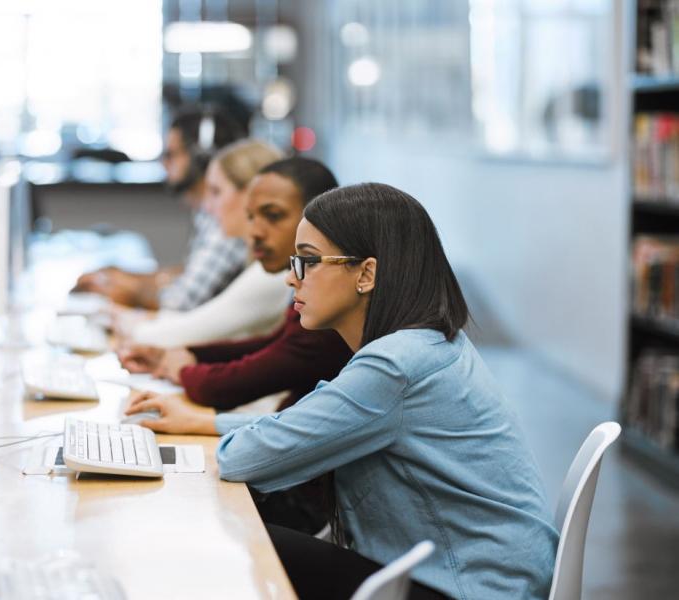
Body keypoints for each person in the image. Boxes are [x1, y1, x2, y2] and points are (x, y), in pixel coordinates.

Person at [125, 183, 559, 600]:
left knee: (230, 532)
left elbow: (244, 459)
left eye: (309, 262)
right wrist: (204, 422)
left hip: (464, 588)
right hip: (488, 578)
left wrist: (214, 433)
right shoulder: (426, 342)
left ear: (366, 273)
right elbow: (310, 425)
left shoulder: (393, 366)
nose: (292, 280)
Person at [119, 158, 351, 414]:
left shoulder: (327, 296)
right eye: (250, 217)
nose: (255, 232)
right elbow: (276, 345)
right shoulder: (297, 280)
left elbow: (273, 366)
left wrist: (185, 370)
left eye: (273, 216)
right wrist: (188, 356)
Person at [75, 108, 248, 311]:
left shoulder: (225, 223)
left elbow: (180, 302)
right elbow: (188, 274)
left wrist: (118, 286)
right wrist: (125, 277)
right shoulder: (207, 215)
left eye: (171, 154)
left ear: (201, 158)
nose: (164, 163)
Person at [127, 139, 287, 347]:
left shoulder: (272, 273)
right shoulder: (259, 262)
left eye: (216, 192)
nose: (208, 208)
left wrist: (125, 323)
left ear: (252, 194)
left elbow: (186, 330)